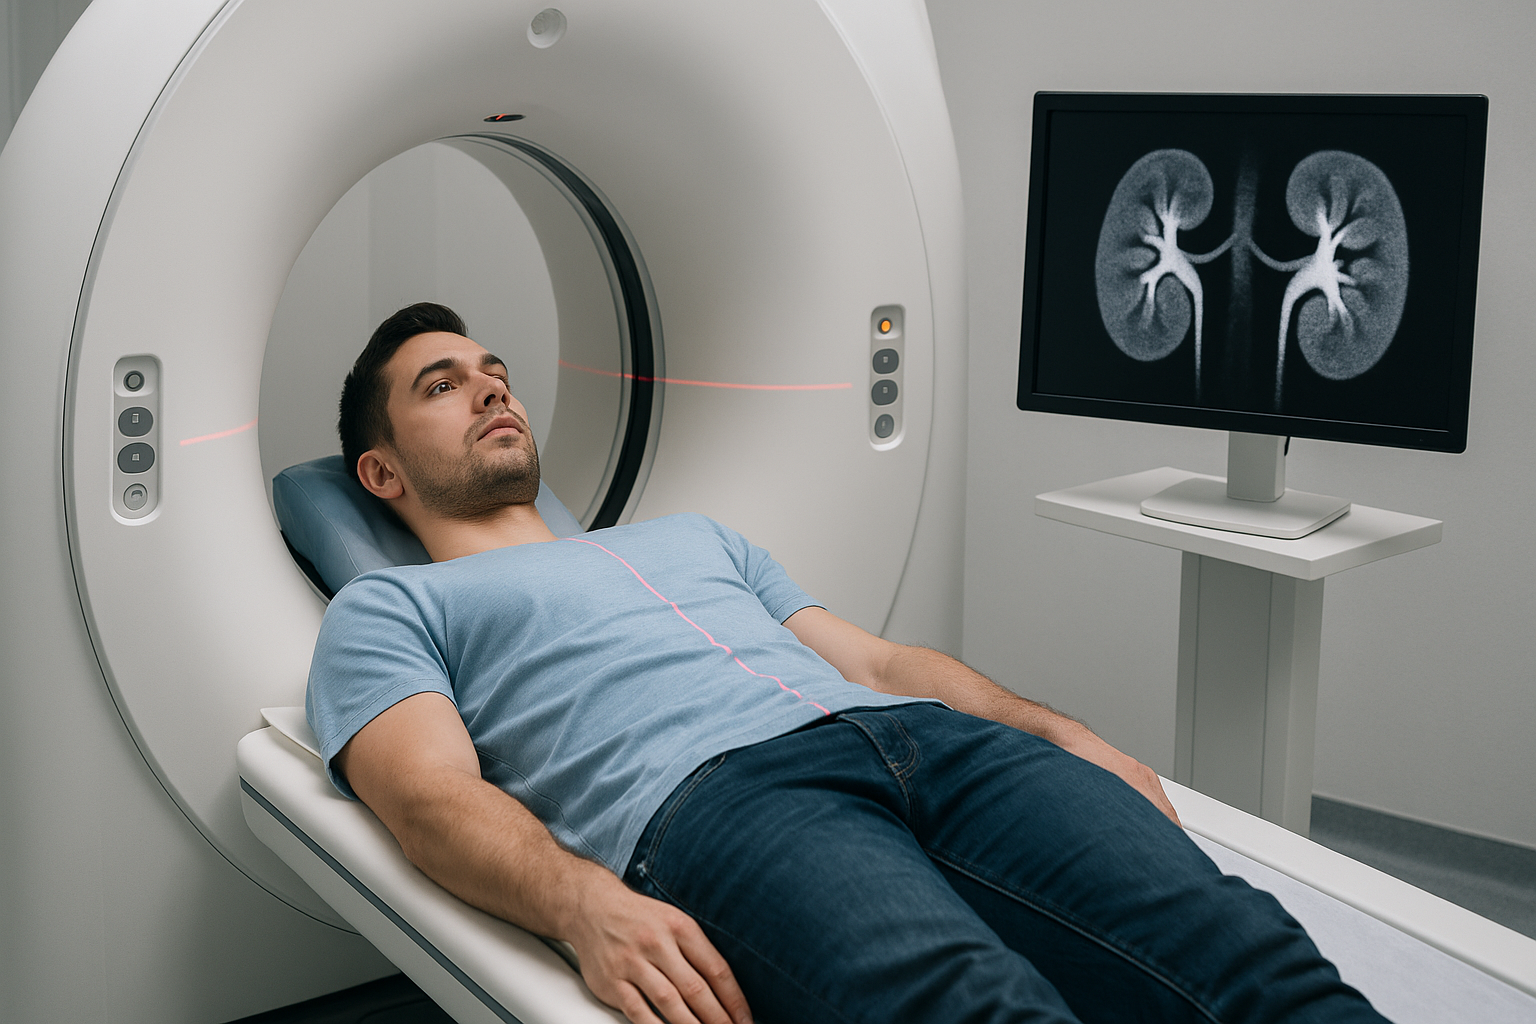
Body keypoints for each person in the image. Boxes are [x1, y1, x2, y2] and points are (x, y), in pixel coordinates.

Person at [307, 302, 1388, 1024]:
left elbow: (875, 659)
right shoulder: (391, 605)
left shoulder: (690, 535)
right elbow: (431, 798)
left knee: (1250, 958)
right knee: (977, 1006)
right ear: (381, 472)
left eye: (495, 373)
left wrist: (1060, 734)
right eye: (442, 386)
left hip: (940, 749)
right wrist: (581, 905)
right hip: (726, 804)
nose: (492, 390)